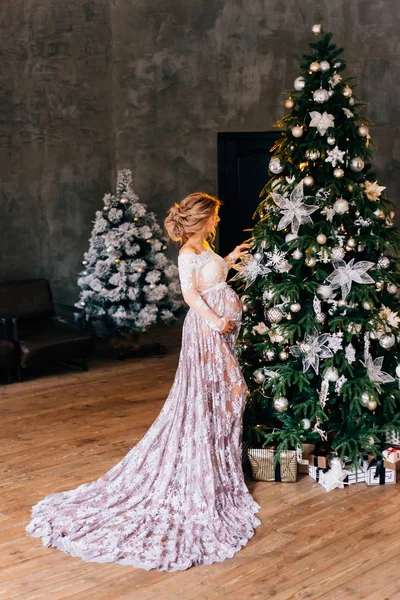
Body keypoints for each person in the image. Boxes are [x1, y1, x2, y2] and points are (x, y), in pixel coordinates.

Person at [26, 192, 261, 571]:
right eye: (214, 217)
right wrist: (217, 322)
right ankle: (207, 464)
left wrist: (229, 260)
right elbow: (190, 294)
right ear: (201, 219)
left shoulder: (204, 246)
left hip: (220, 331)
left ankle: (219, 463)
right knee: (229, 391)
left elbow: (212, 280)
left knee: (223, 394)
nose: (217, 221)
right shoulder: (187, 252)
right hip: (207, 334)